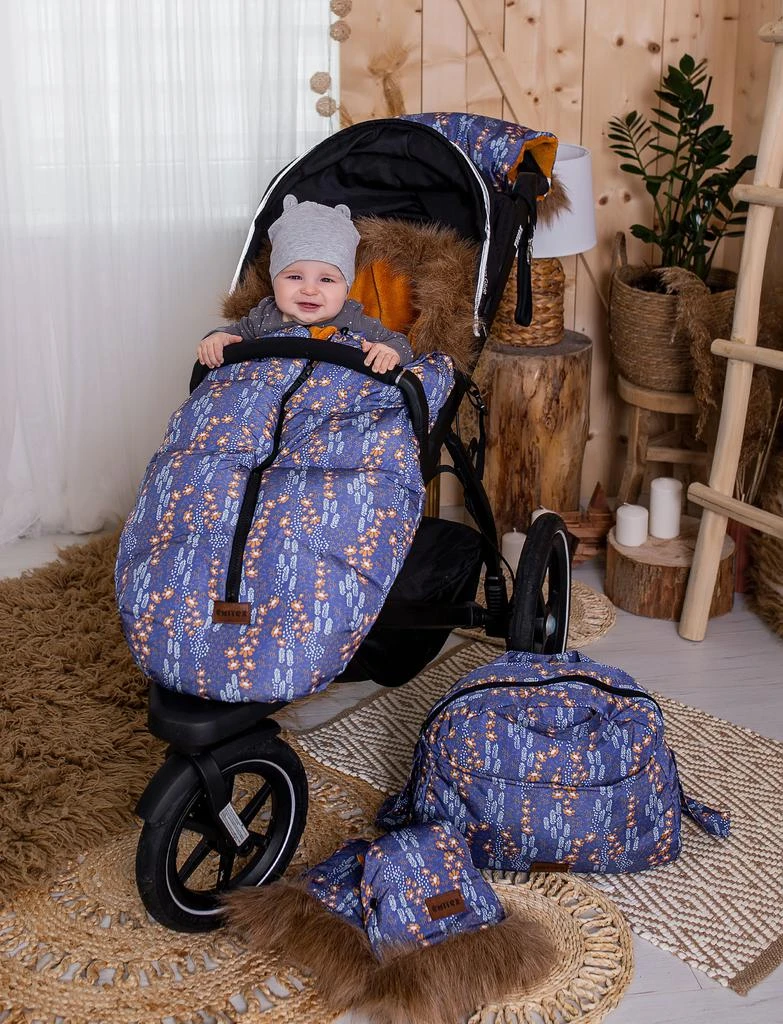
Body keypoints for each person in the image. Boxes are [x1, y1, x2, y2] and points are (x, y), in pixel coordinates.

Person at [197, 195, 413, 373]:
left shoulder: (353, 320)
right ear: (274, 280)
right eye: (294, 277)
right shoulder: (263, 317)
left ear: (346, 288)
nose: (309, 290)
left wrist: (389, 352)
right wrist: (216, 339)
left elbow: (401, 344)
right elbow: (229, 334)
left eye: (326, 280)